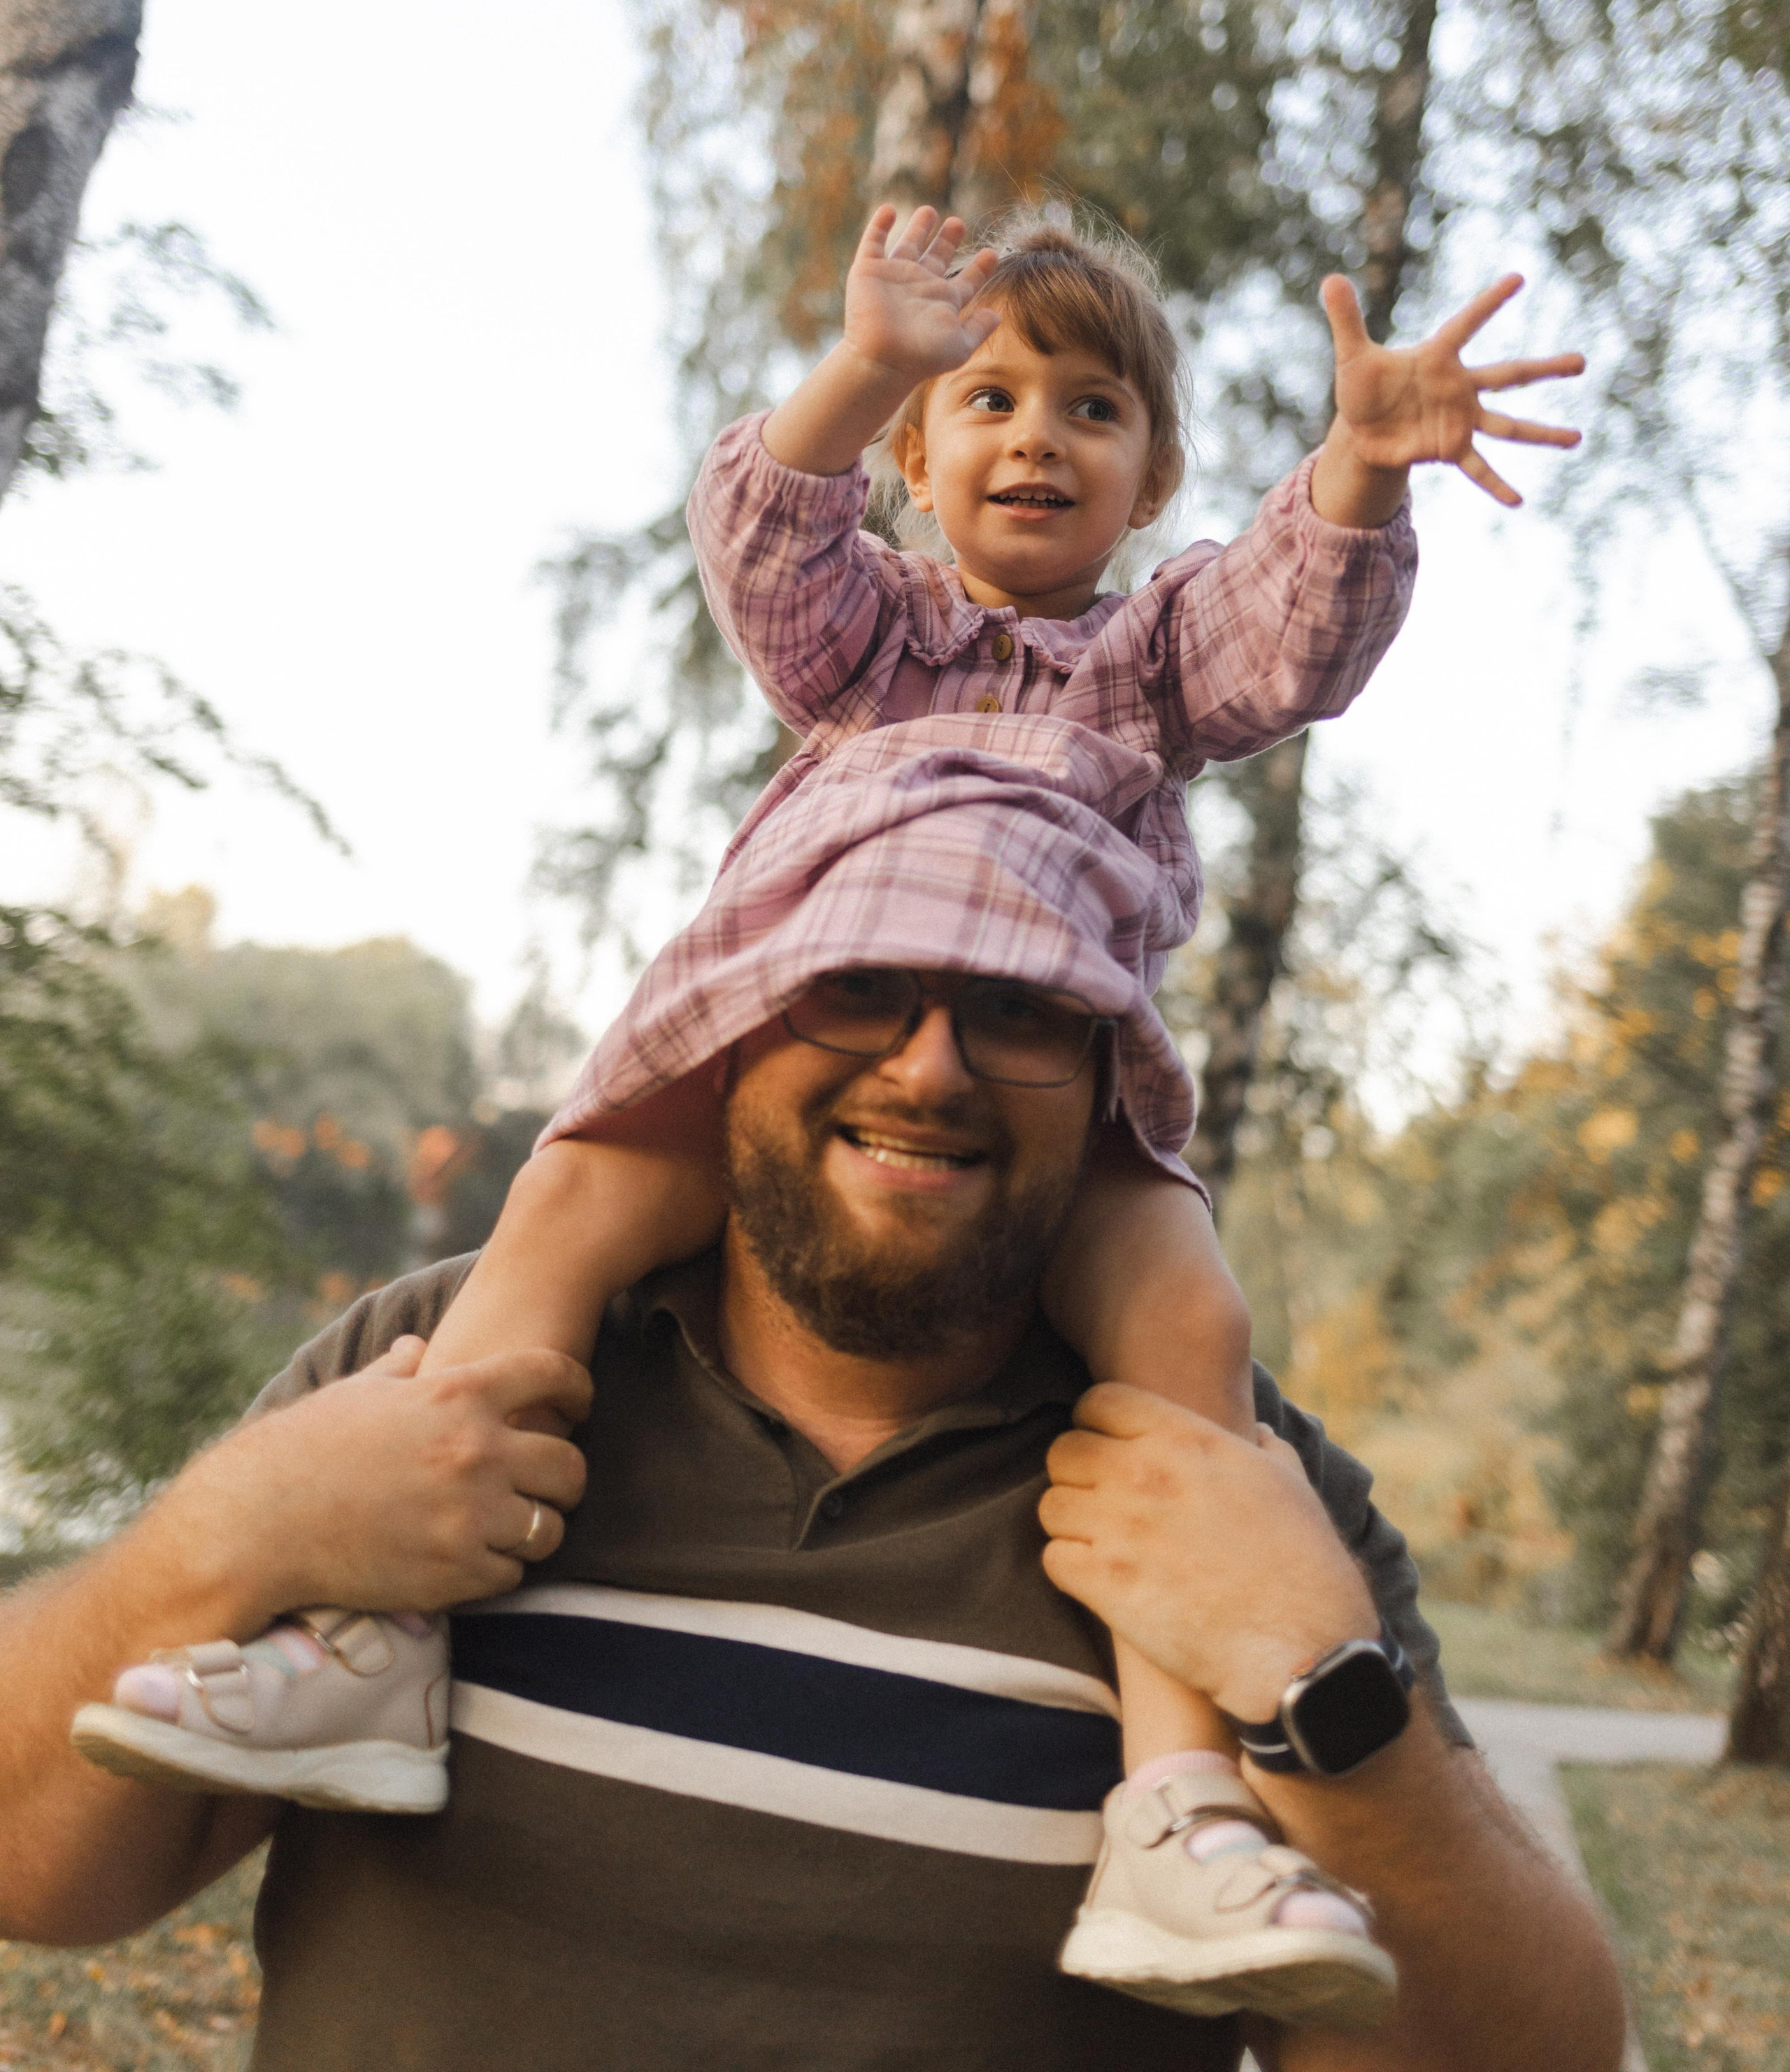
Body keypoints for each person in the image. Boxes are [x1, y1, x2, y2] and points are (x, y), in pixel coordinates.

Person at [75, 203, 1584, 2027]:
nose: (1037, 434)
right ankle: (372, 1636)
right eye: (990, 396)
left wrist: (1356, 470)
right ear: (923, 463)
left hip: (1074, 1083)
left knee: (1190, 1325)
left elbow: (1293, 639)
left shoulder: (1153, 663)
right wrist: (868, 356)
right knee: (560, 1216)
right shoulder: (870, 647)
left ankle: (1178, 1802)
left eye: (1092, 409)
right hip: (748, 1030)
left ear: (1151, 474)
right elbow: (765, 541)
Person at [11, 934, 1624, 2070]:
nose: (928, 1068)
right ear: (730, 1019)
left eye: (1016, 1004)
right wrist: (225, 1537)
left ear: (1109, 1082)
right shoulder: (445, 1373)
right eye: (855, 983)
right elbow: (34, 1875)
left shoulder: (1232, 1485)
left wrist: (1317, 1689)